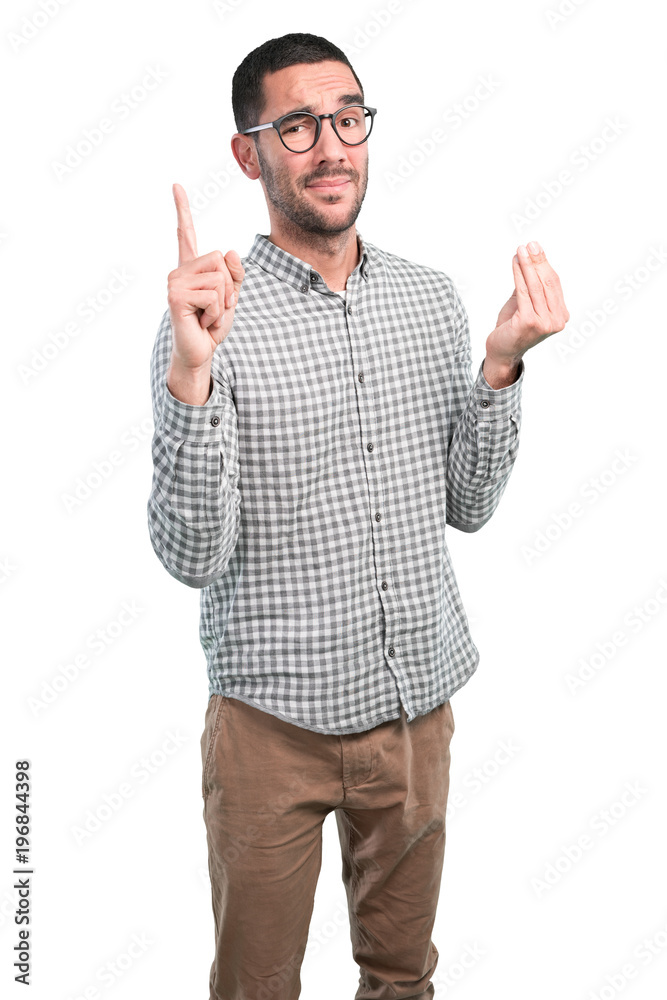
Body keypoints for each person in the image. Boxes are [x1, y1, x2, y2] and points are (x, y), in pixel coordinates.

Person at [146, 31, 568, 1000]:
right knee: (255, 986)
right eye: (296, 125)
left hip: (417, 710)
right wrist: (191, 379)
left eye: (346, 118)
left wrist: (500, 363)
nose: (330, 145)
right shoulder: (207, 323)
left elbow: (467, 504)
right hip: (270, 726)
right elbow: (192, 553)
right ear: (248, 153)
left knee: (401, 979)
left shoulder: (429, 300)